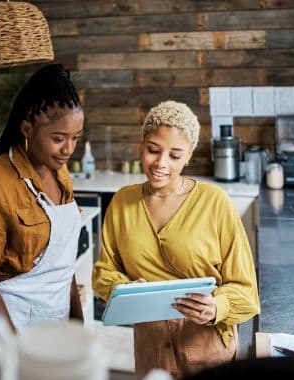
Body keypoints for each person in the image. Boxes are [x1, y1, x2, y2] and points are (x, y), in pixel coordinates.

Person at [92, 100, 260, 379]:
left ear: (189, 156)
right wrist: (125, 289)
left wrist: (217, 307)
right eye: (153, 150)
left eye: (175, 155)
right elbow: (103, 272)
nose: (160, 163)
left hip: (208, 350)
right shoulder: (122, 202)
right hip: (151, 352)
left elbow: (247, 293)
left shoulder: (214, 202)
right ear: (142, 145)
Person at [0, 63, 85, 333]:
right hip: (13, 329)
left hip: (58, 325)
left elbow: (63, 263)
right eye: (58, 138)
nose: (68, 149)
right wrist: (16, 347)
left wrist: (77, 324)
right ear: (27, 129)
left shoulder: (60, 172)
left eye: (76, 138)